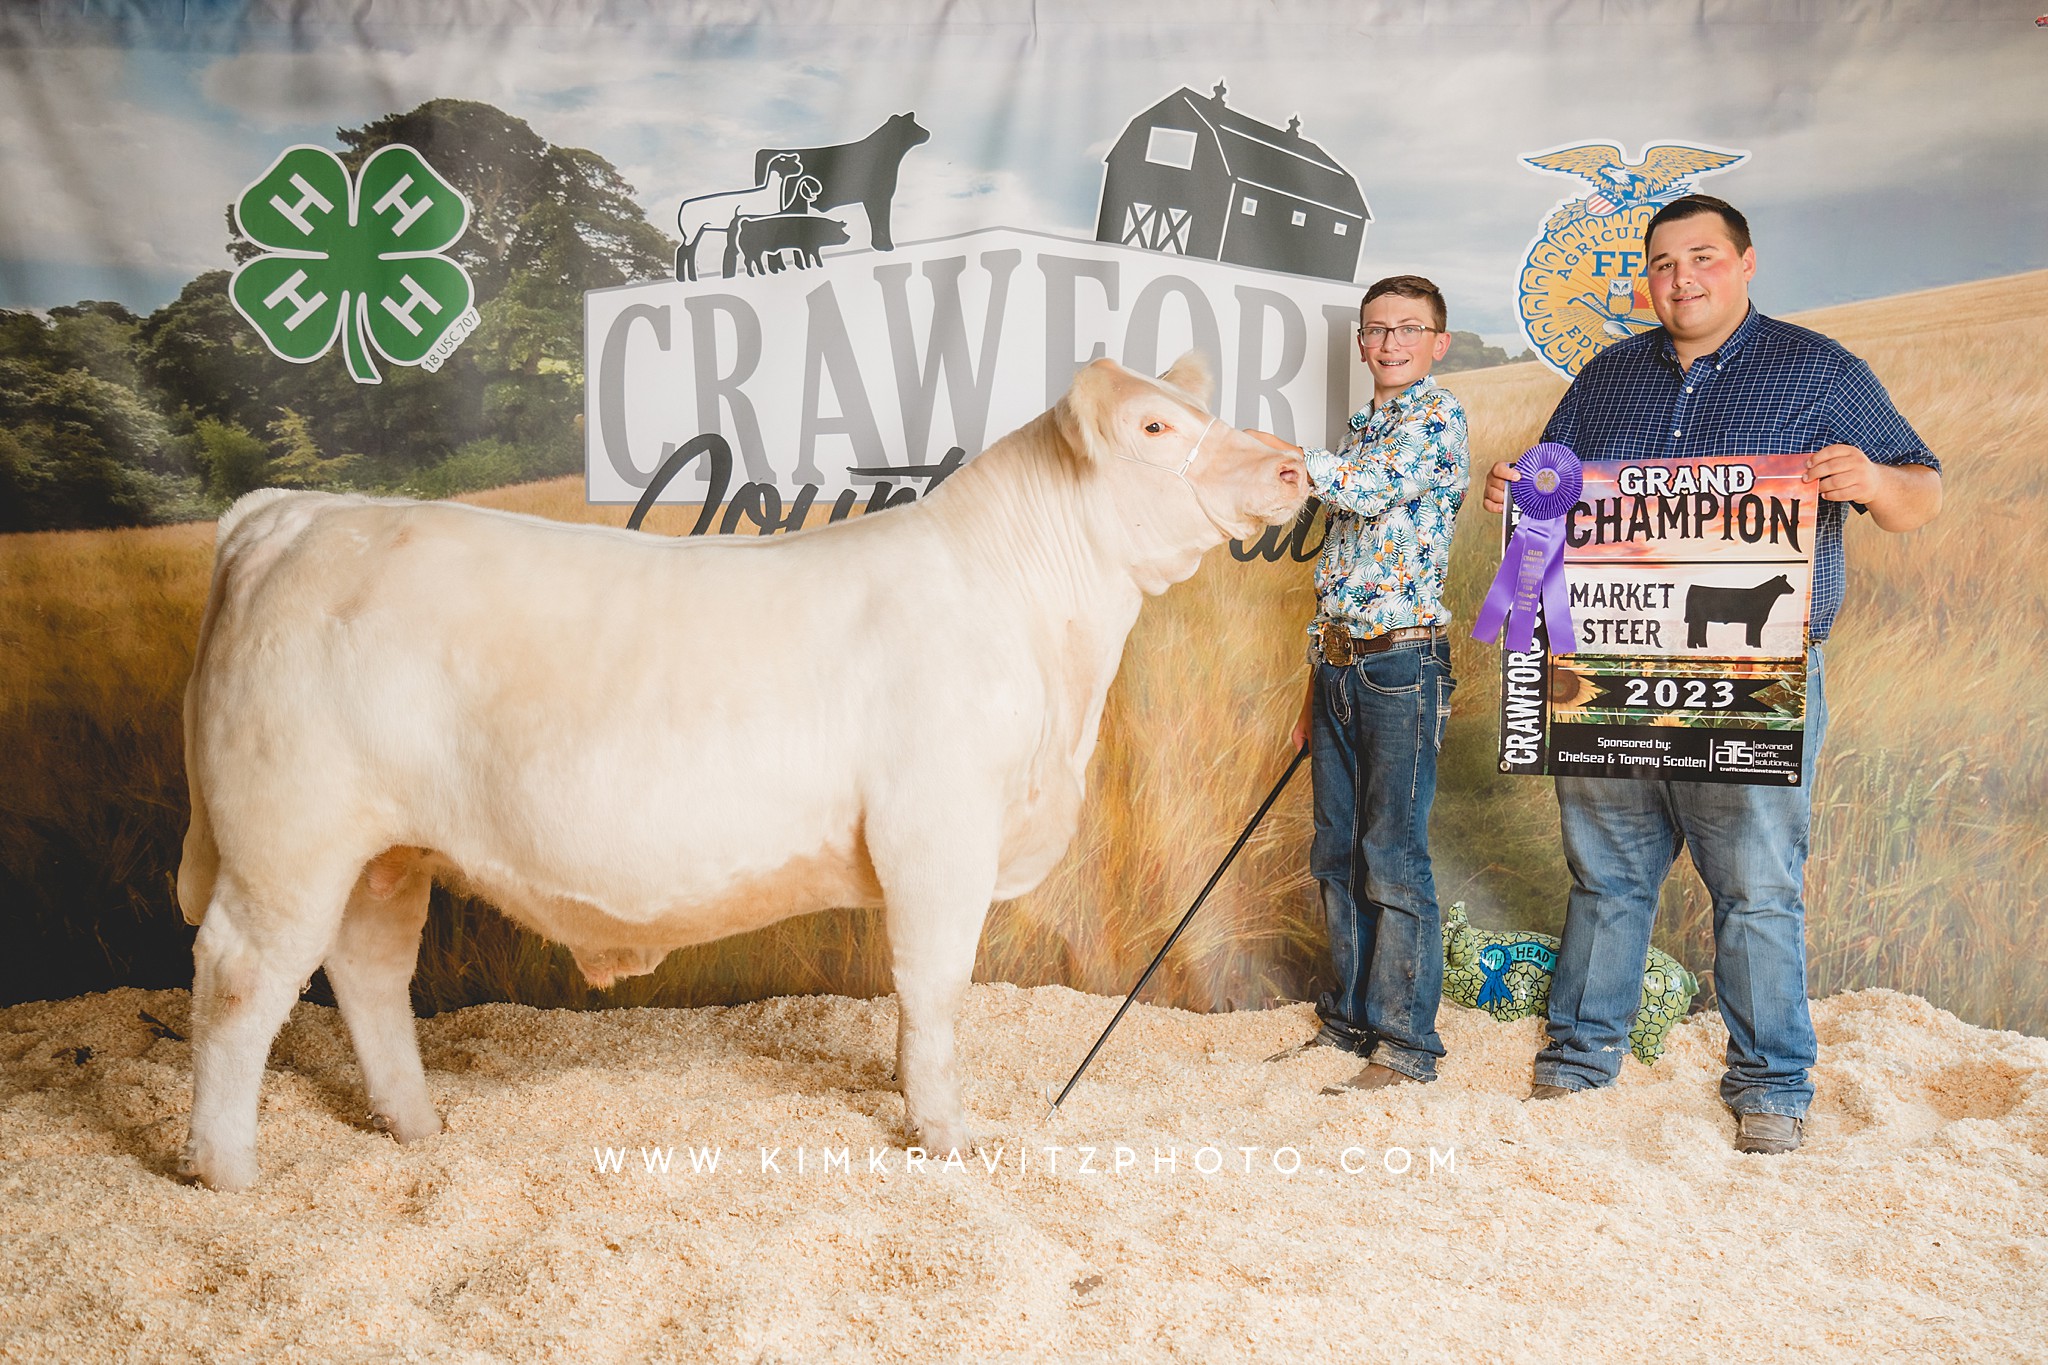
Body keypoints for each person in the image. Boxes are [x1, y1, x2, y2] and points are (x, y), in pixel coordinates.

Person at [1483, 195, 1941, 1153]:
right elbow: (1550, 486)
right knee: (1606, 875)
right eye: (1662, 263)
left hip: (1755, 676)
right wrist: (1518, 491)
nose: (1681, 278)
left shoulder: (1819, 369)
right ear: (1645, 277)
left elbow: (1919, 491)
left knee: (1758, 886)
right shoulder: (1605, 379)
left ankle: (1772, 1082)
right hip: (1609, 669)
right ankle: (1579, 1055)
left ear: (1745, 264)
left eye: (1703, 258)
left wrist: (1873, 483)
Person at [1255, 275, 1470, 1092]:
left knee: (1392, 853)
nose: (1388, 344)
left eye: (1407, 329)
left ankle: (1406, 1044)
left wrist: (1275, 455)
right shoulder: (1365, 425)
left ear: (1437, 342)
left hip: (1400, 665)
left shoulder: (1436, 418)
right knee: (1335, 852)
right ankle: (1346, 1021)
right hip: (1342, 662)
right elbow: (1340, 564)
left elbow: (1367, 489)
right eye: (1376, 330)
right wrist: (1314, 682)